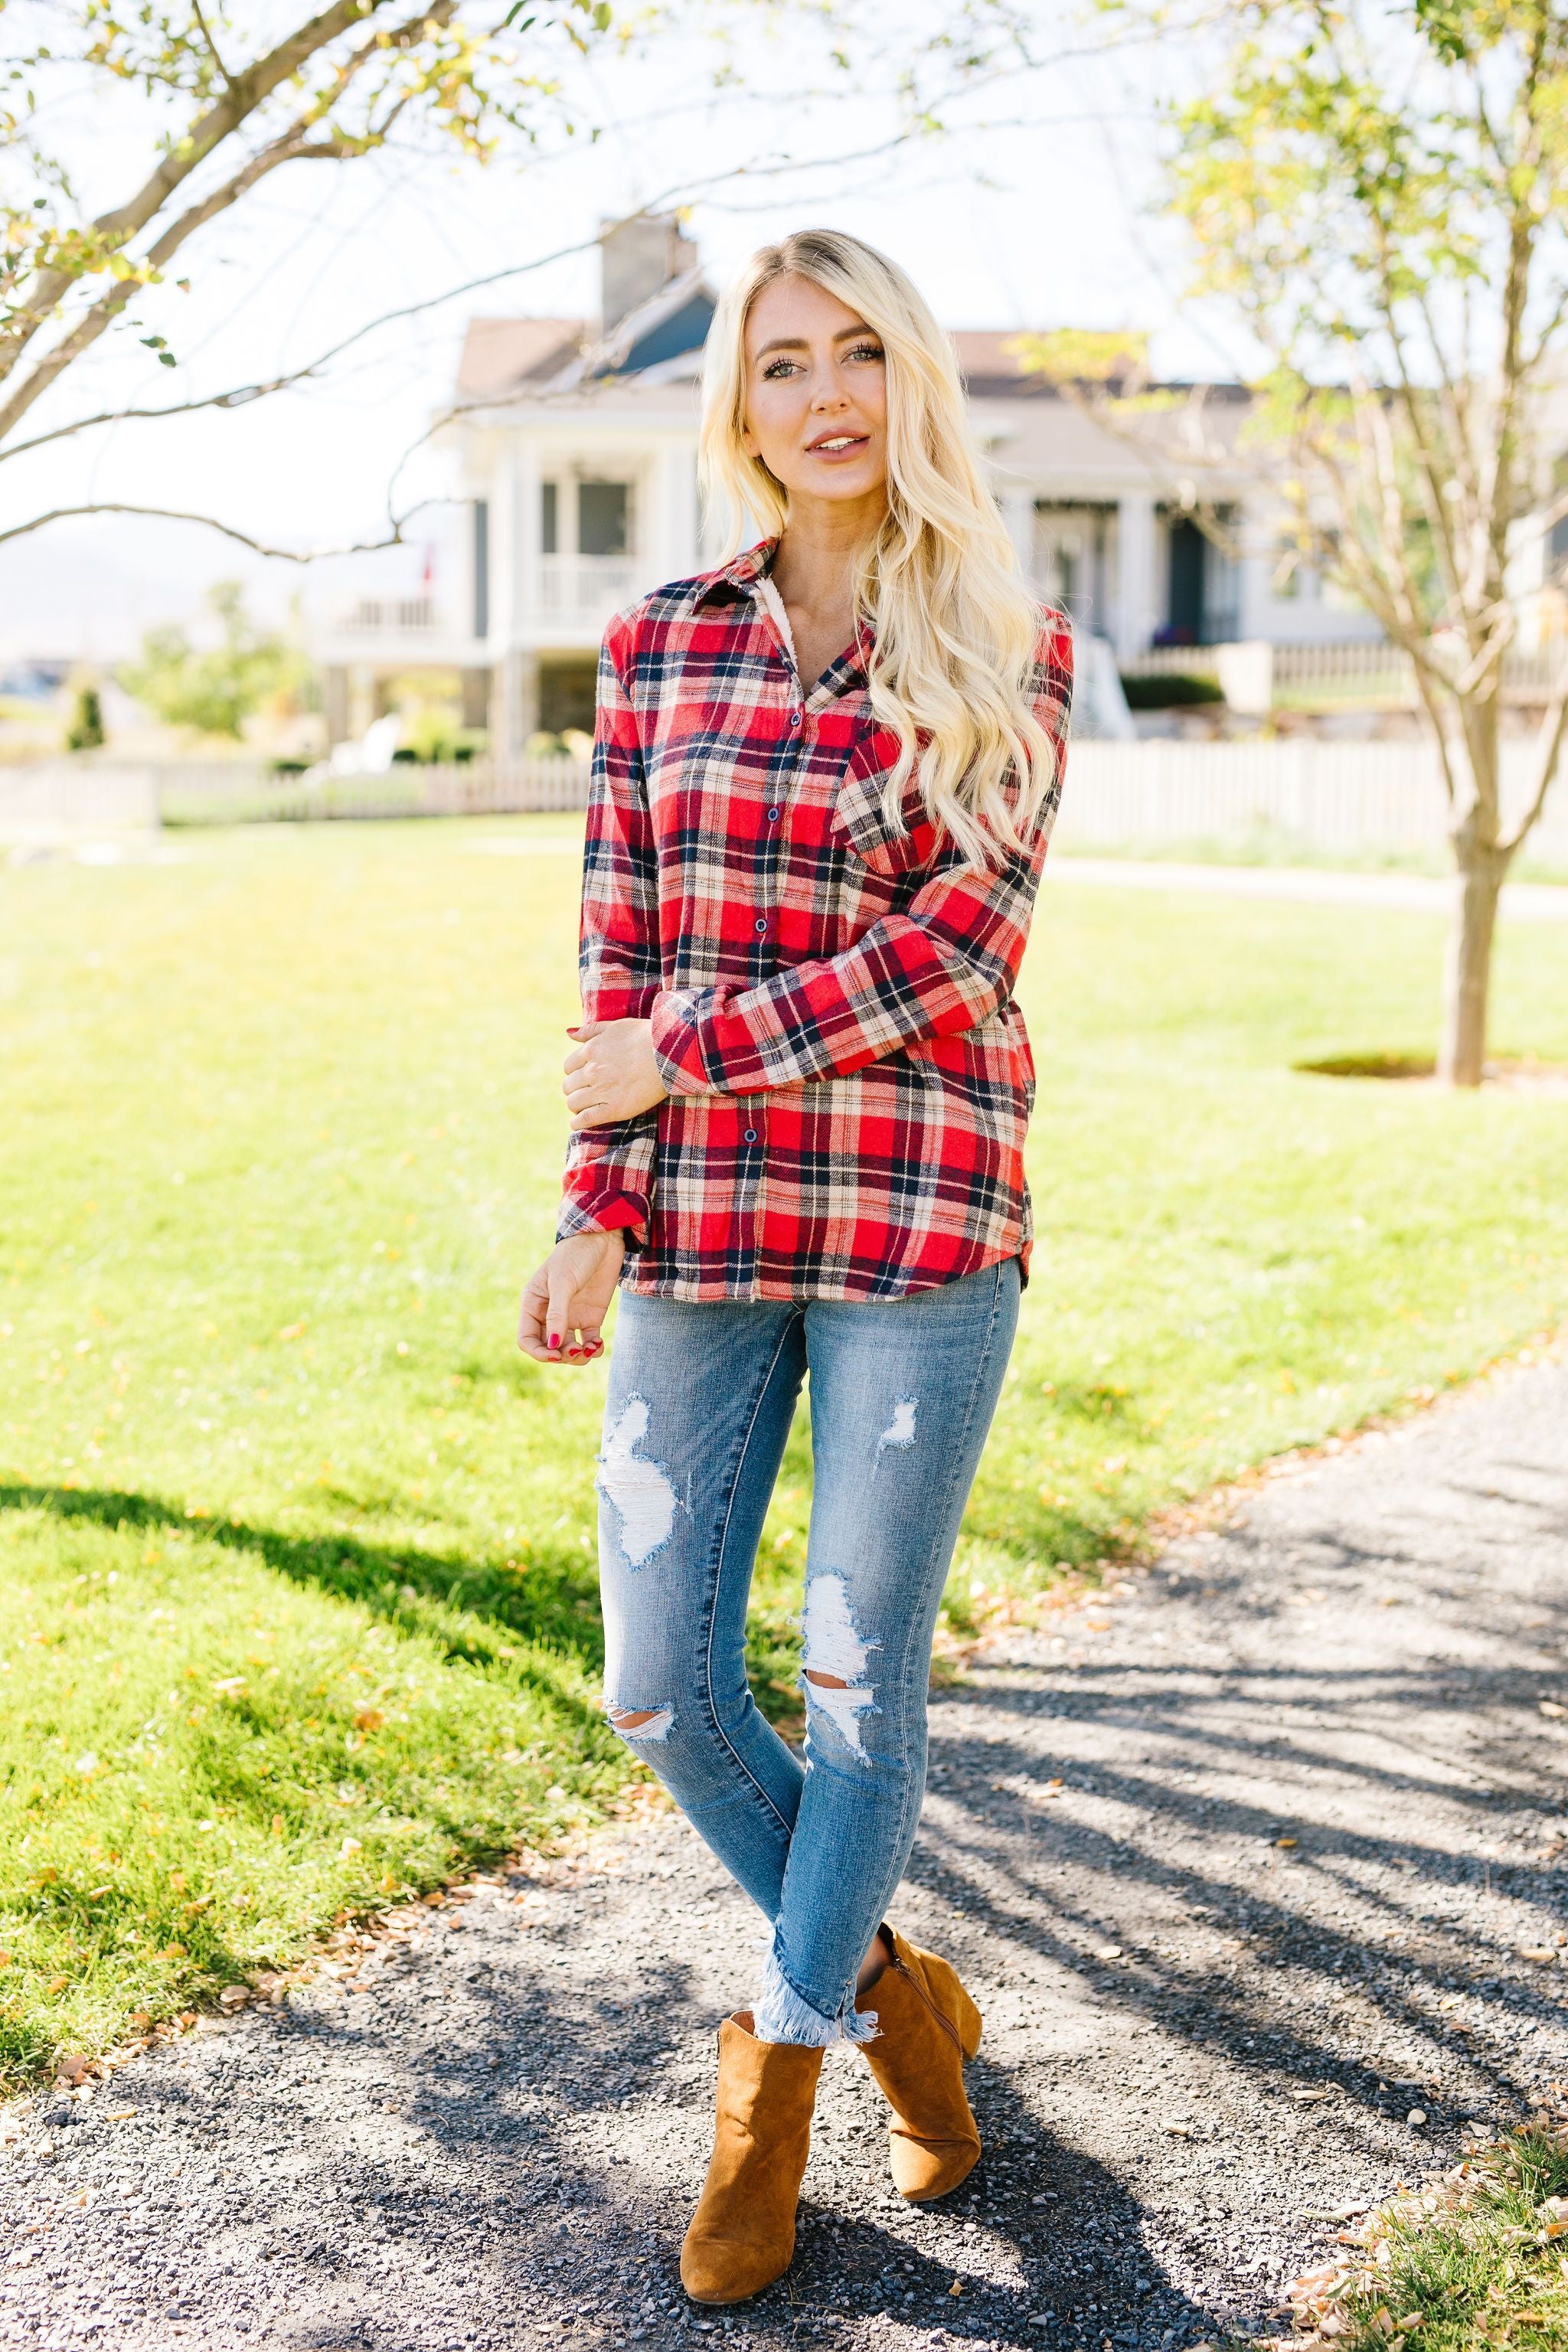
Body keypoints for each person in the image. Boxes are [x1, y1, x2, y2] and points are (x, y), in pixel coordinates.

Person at [518, 227, 1073, 2307]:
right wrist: (601, 1185)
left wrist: (686, 1057)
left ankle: (776, 2065)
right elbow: (620, 948)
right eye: (780, 365)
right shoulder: (661, 641)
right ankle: (901, 1999)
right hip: (707, 1227)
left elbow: (956, 957)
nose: (825, 393)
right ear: (735, 405)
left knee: (856, 1689)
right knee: (662, 1687)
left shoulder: (1015, 637)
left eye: (857, 353)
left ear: (910, 377)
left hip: (923, 1231)